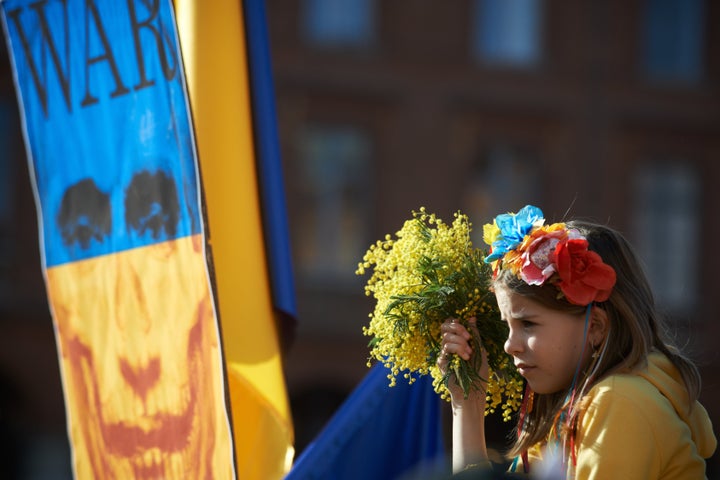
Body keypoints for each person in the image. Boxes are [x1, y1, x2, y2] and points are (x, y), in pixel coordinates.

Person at [438, 205, 716, 479]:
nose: (510, 345)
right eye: (507, 326)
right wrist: (467, 404)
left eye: (528, 324)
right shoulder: (568, 413)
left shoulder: (619, 400)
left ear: (595, 326)